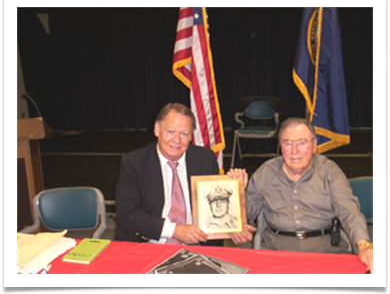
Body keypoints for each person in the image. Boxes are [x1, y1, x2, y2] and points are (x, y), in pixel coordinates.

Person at [228, 117, 373, 273]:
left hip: (325, 249)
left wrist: (364, 245)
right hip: (276, 250)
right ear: (280, 145)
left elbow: (349, 210)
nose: (294, 151)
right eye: (288, 143)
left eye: (302, 143)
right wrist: (238, 192)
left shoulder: (329, 170)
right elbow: (250, 211)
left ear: (314, 144)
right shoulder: (266, 171)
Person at [115, 103, 222, 246]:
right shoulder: (134, 162)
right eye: (170, 131)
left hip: (196, 243)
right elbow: (128, 214)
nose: (177, 140)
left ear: (191, 136)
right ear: (157, 129)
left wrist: (234, 225)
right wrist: (175, 231)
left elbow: (213, 205)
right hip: (149, 243)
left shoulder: (205, 159)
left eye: (184, 134)